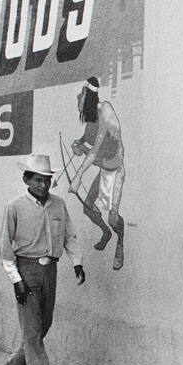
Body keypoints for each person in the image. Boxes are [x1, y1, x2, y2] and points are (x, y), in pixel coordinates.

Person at [0, 154, 86, 365]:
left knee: (44, 324)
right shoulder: (14, 207)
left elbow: (70, 235)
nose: (43, 185)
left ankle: (15, 364)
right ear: (26, 179)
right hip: (26, 271)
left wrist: (77, 263)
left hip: (51, 271)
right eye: (38, 180)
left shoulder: (58, 204)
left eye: (47, 180)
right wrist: (16, 279)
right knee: (33, 332)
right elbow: (5, 248)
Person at [69, 76, 125, 270]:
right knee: (88, 207)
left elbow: (95, 151)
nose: (78, 101)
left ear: (87, 97)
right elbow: (86, 142)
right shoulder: (91, 121)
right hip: (104, 170)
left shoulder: (105, 111)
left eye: (80, 98)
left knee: (113, 217)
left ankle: (120, 244)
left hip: (115, 170)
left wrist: (77, 178)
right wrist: (78, 144)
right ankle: (106, 233)